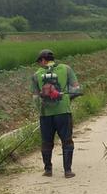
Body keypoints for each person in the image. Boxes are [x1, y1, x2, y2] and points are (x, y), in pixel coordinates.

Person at [31, 49, 81, 178]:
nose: (39, 64)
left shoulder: (36, 75)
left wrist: (40, 111)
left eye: (39, 62)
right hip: (63, 112)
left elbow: (35, 97)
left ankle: (48, 170)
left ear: (43, 60)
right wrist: (66, 99)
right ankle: (68, 171)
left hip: (45, 114)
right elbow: (76, 88)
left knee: (46, 142)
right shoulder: (66, 69)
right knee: (67, 140)